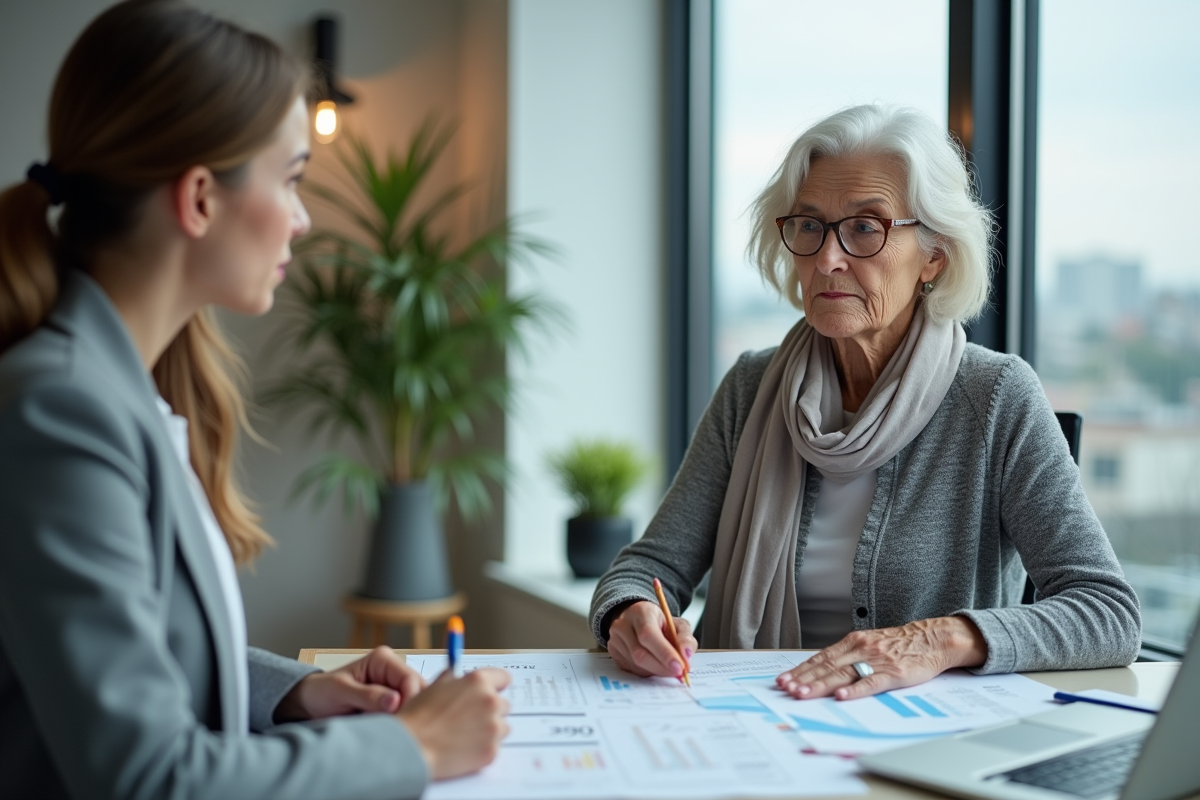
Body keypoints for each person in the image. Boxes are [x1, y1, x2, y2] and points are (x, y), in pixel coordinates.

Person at [0, 2, 510, 798]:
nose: (303, 221)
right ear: (200, 199)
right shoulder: (62, 410)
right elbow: (149, 776)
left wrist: (300, 691)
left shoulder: (112, 390)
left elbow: (143, 650)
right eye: (293, 178)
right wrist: (416, 749)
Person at [590, 104, 1141, 703]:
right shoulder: (752, 387)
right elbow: (649, 568)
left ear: (934, 255)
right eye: (810, 225)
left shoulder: (996, 397)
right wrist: (631, 614)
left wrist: (937, 640)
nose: (828, 258)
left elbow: (1107, 613)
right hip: (757, 718)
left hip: (924, 740)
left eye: (865, 227)